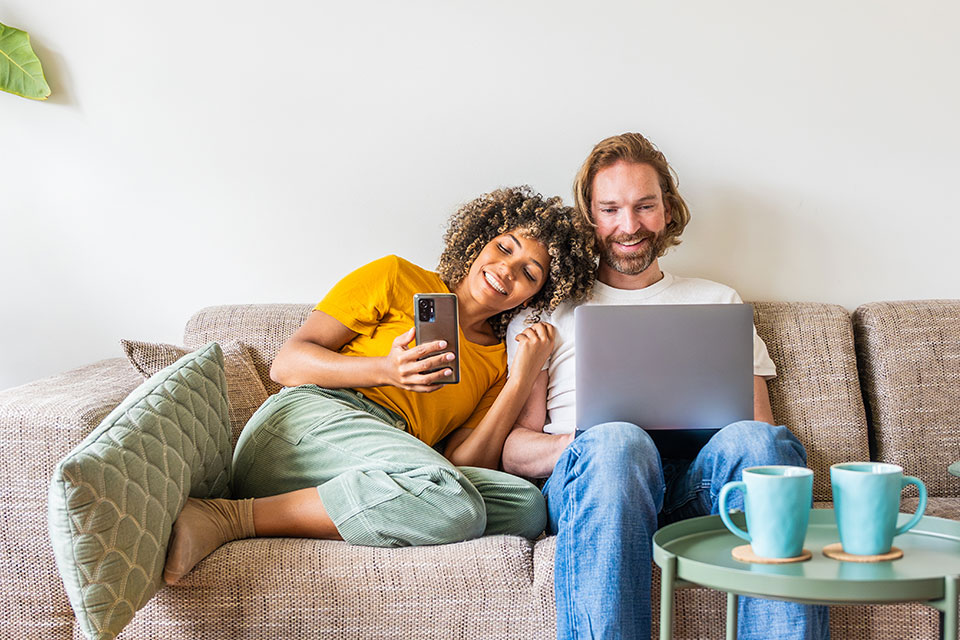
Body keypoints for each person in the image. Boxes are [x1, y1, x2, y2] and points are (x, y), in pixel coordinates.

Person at [161, 186, 596, 585]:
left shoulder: (496, 362)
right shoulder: (396, 277)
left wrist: (519, 380)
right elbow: (288, 364)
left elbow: (466, 460)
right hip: (307, 425)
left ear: (537, 296)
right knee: (453, 501)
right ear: (480, 240)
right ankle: (227, 518)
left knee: (525, 506)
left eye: (529, 272)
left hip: (389, 460)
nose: (506, 270)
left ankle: (367, 506)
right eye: (504, 247)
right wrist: (386, 370)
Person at [501, 134, 830, 640]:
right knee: (618, 442)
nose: (628, 226)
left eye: (644, 206)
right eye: (610, 208)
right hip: (595, 485)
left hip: (694, 487)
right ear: (589, 217)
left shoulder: (719, 302)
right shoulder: (549, 310)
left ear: (668, 210)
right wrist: (588, 442)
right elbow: (515, 451)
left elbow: (759, 435)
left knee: (760, 443)